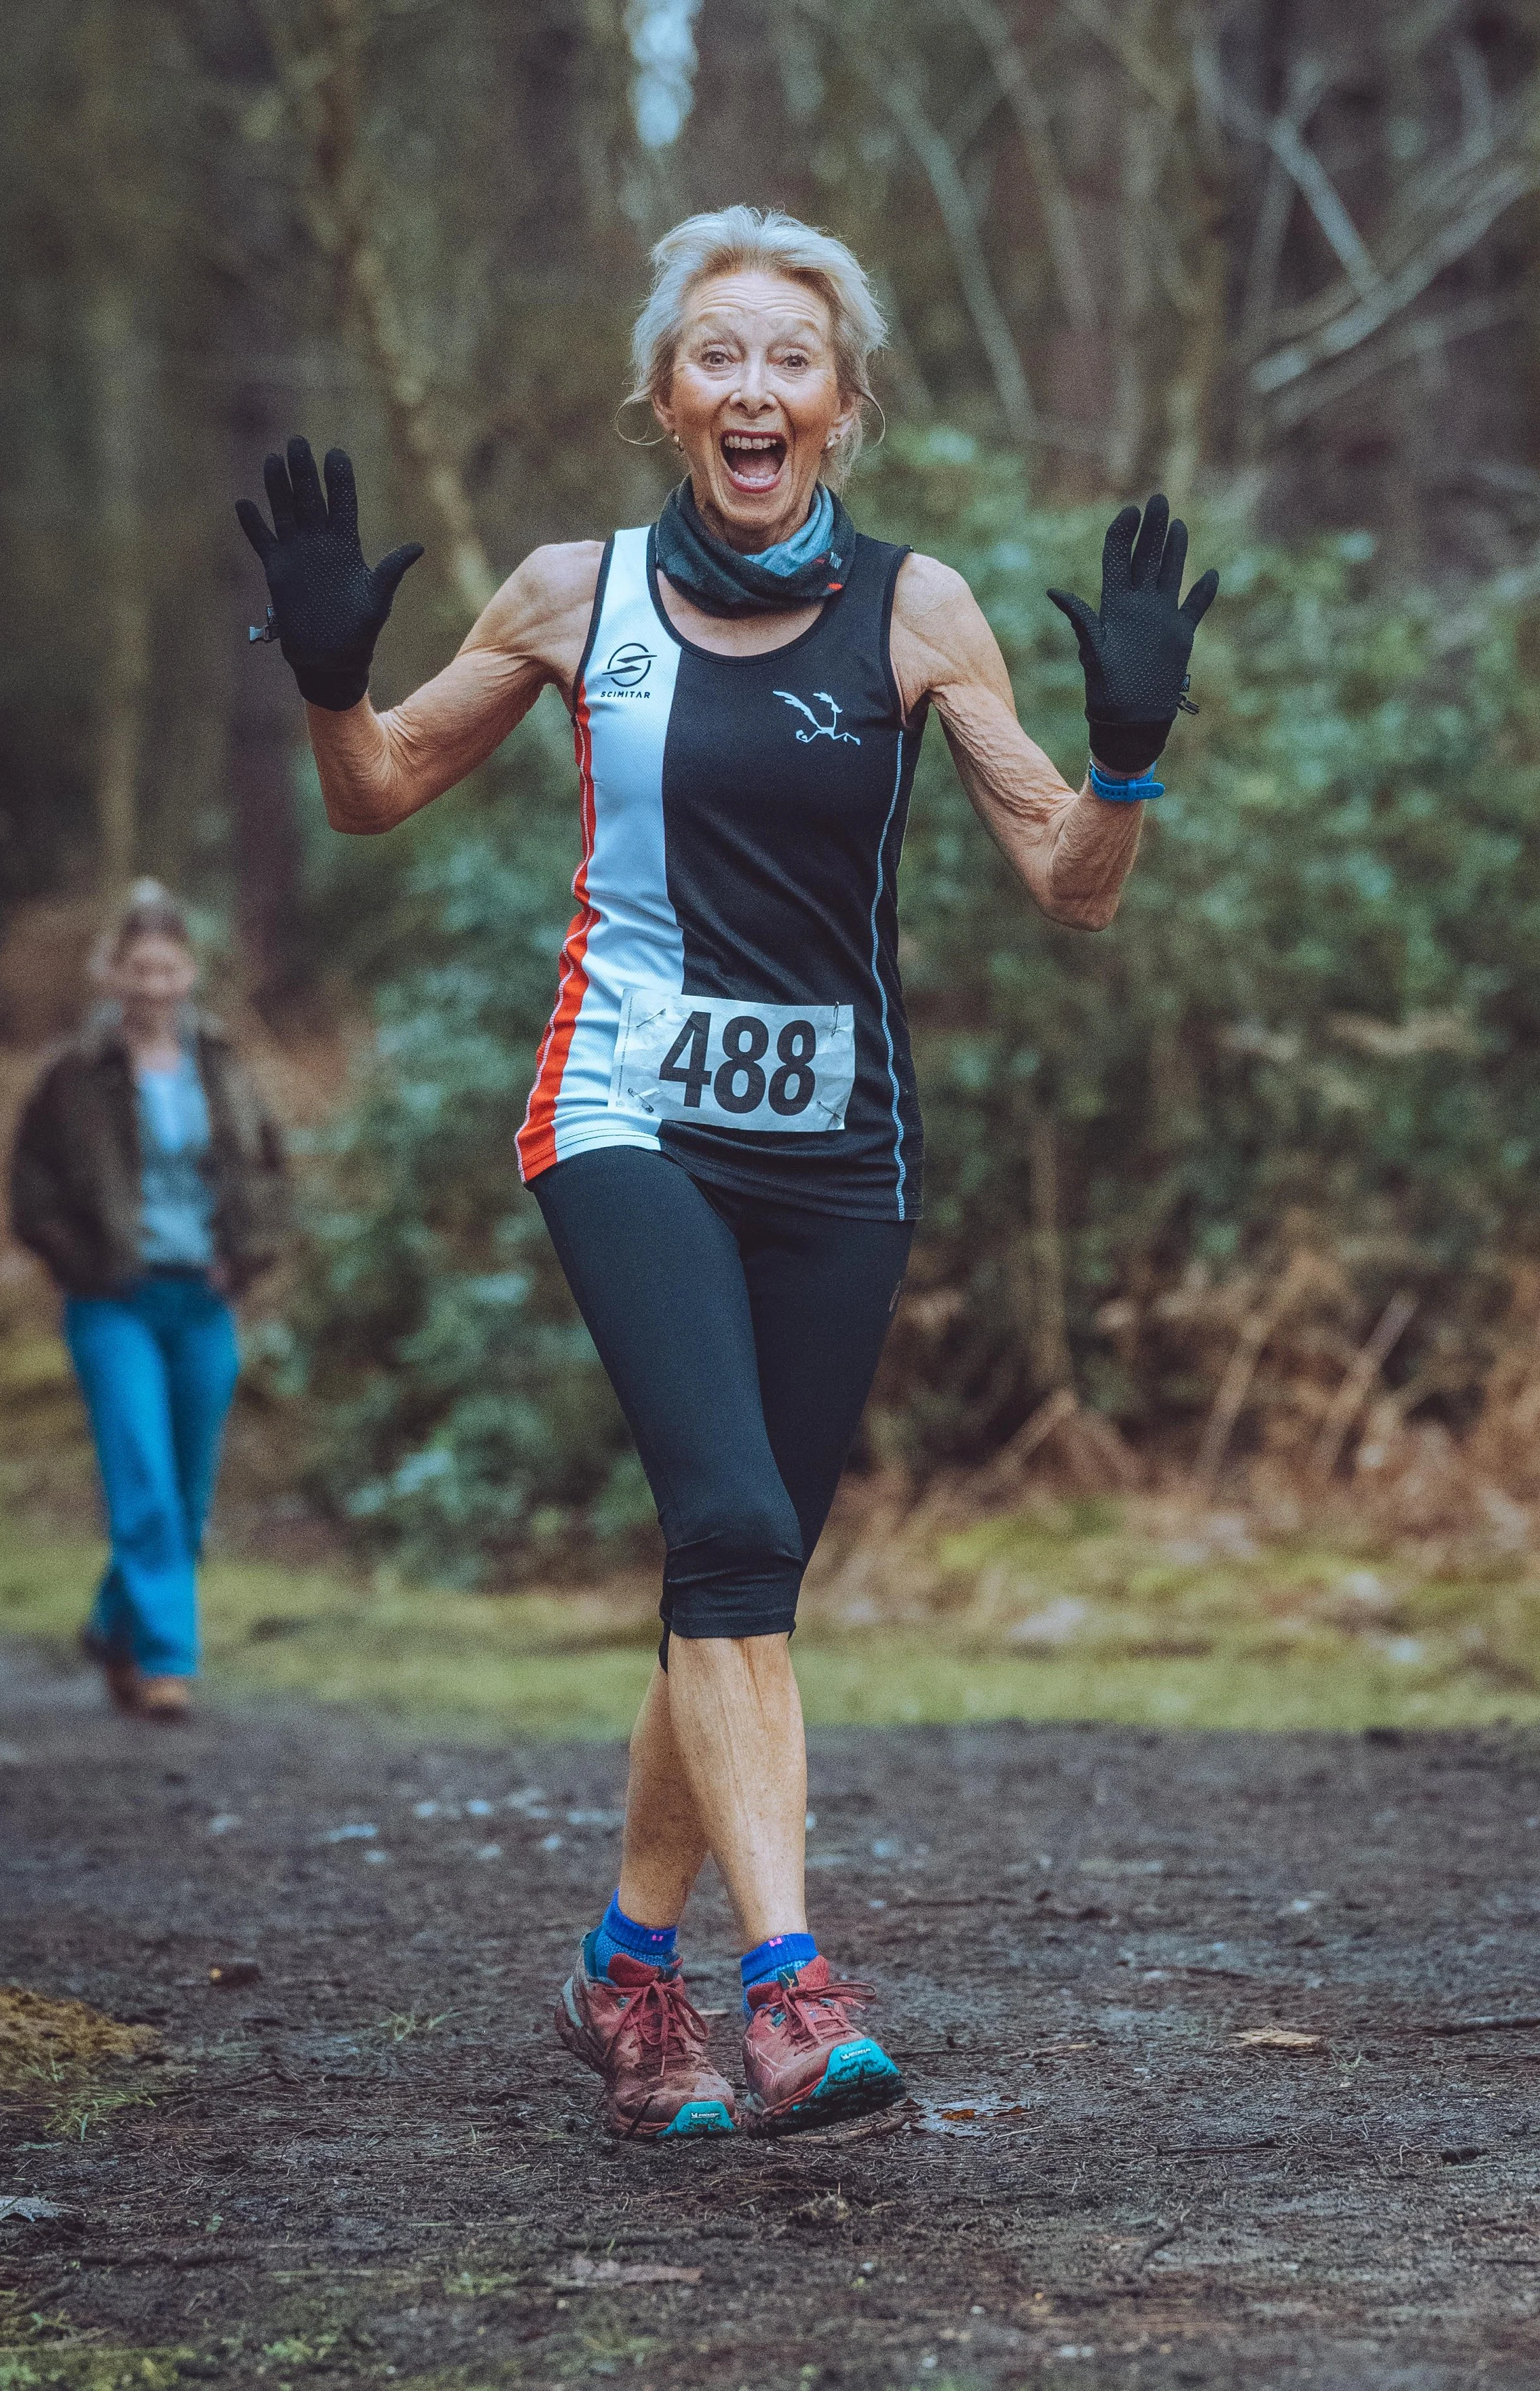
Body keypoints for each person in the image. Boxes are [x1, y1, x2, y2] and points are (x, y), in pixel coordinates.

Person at [236, 205, 1217, 2137]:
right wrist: (332, 689)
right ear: (664, 397)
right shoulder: (566, 593)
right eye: (716, 354)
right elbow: (372, 796)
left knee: (733, 1570)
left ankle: (623, 1964)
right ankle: (786, 1988)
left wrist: (1120, 760)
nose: (750, 387)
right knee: (734, 1529)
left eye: (790, 358)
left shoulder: (917, 611)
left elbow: (1070, 897)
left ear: (841, 407)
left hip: (842, 1145)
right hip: (624, 1113)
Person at [10, 881, 288, 1723]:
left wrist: (249, 1256)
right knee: (144, 1482)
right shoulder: (71, 1075)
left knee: (189, 1494)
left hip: (203, 1301)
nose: (153, 984)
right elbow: (33, 1189)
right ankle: (169, 1660)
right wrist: (83, 1264)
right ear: (112, 974)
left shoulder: (223, 1060)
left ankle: (111, 1625)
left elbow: (269, 1164)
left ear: (189, 972)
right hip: (114, 1304)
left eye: (167, 968)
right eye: (138, 968)